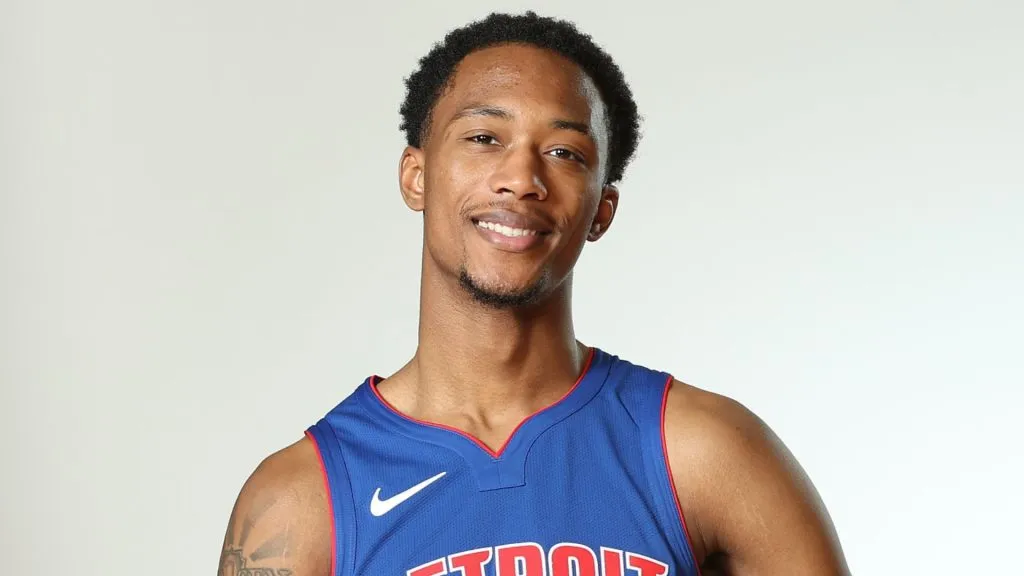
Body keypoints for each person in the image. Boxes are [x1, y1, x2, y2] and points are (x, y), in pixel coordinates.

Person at [216, 11, 850, 576]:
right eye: (484, 138)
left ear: (601, 210)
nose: (521, 178)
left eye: (564, 152)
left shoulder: (706, 452)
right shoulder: (302, 501)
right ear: (417, 175)